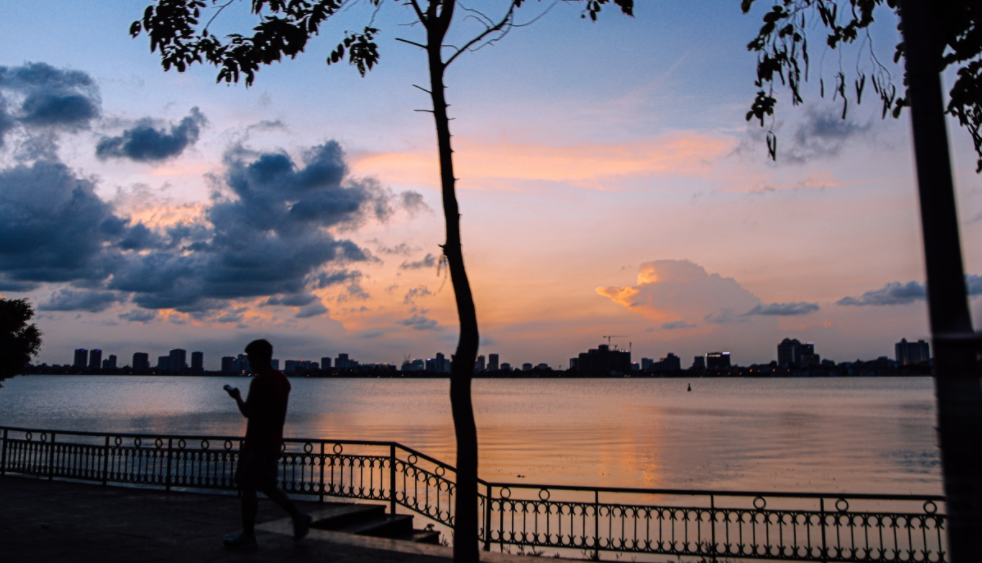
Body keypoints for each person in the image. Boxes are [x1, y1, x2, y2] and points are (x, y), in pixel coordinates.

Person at [222, 339, 312, 550]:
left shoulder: (260, 381)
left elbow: (248, 412)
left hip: (256, 443)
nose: (249, 363)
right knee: (268, 486)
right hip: (273, 441)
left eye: (250, 358)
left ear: (259, 358)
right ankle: (298, 516)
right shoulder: (282, 380)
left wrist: (236, 397)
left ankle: (248, 535)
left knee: (248, 488)